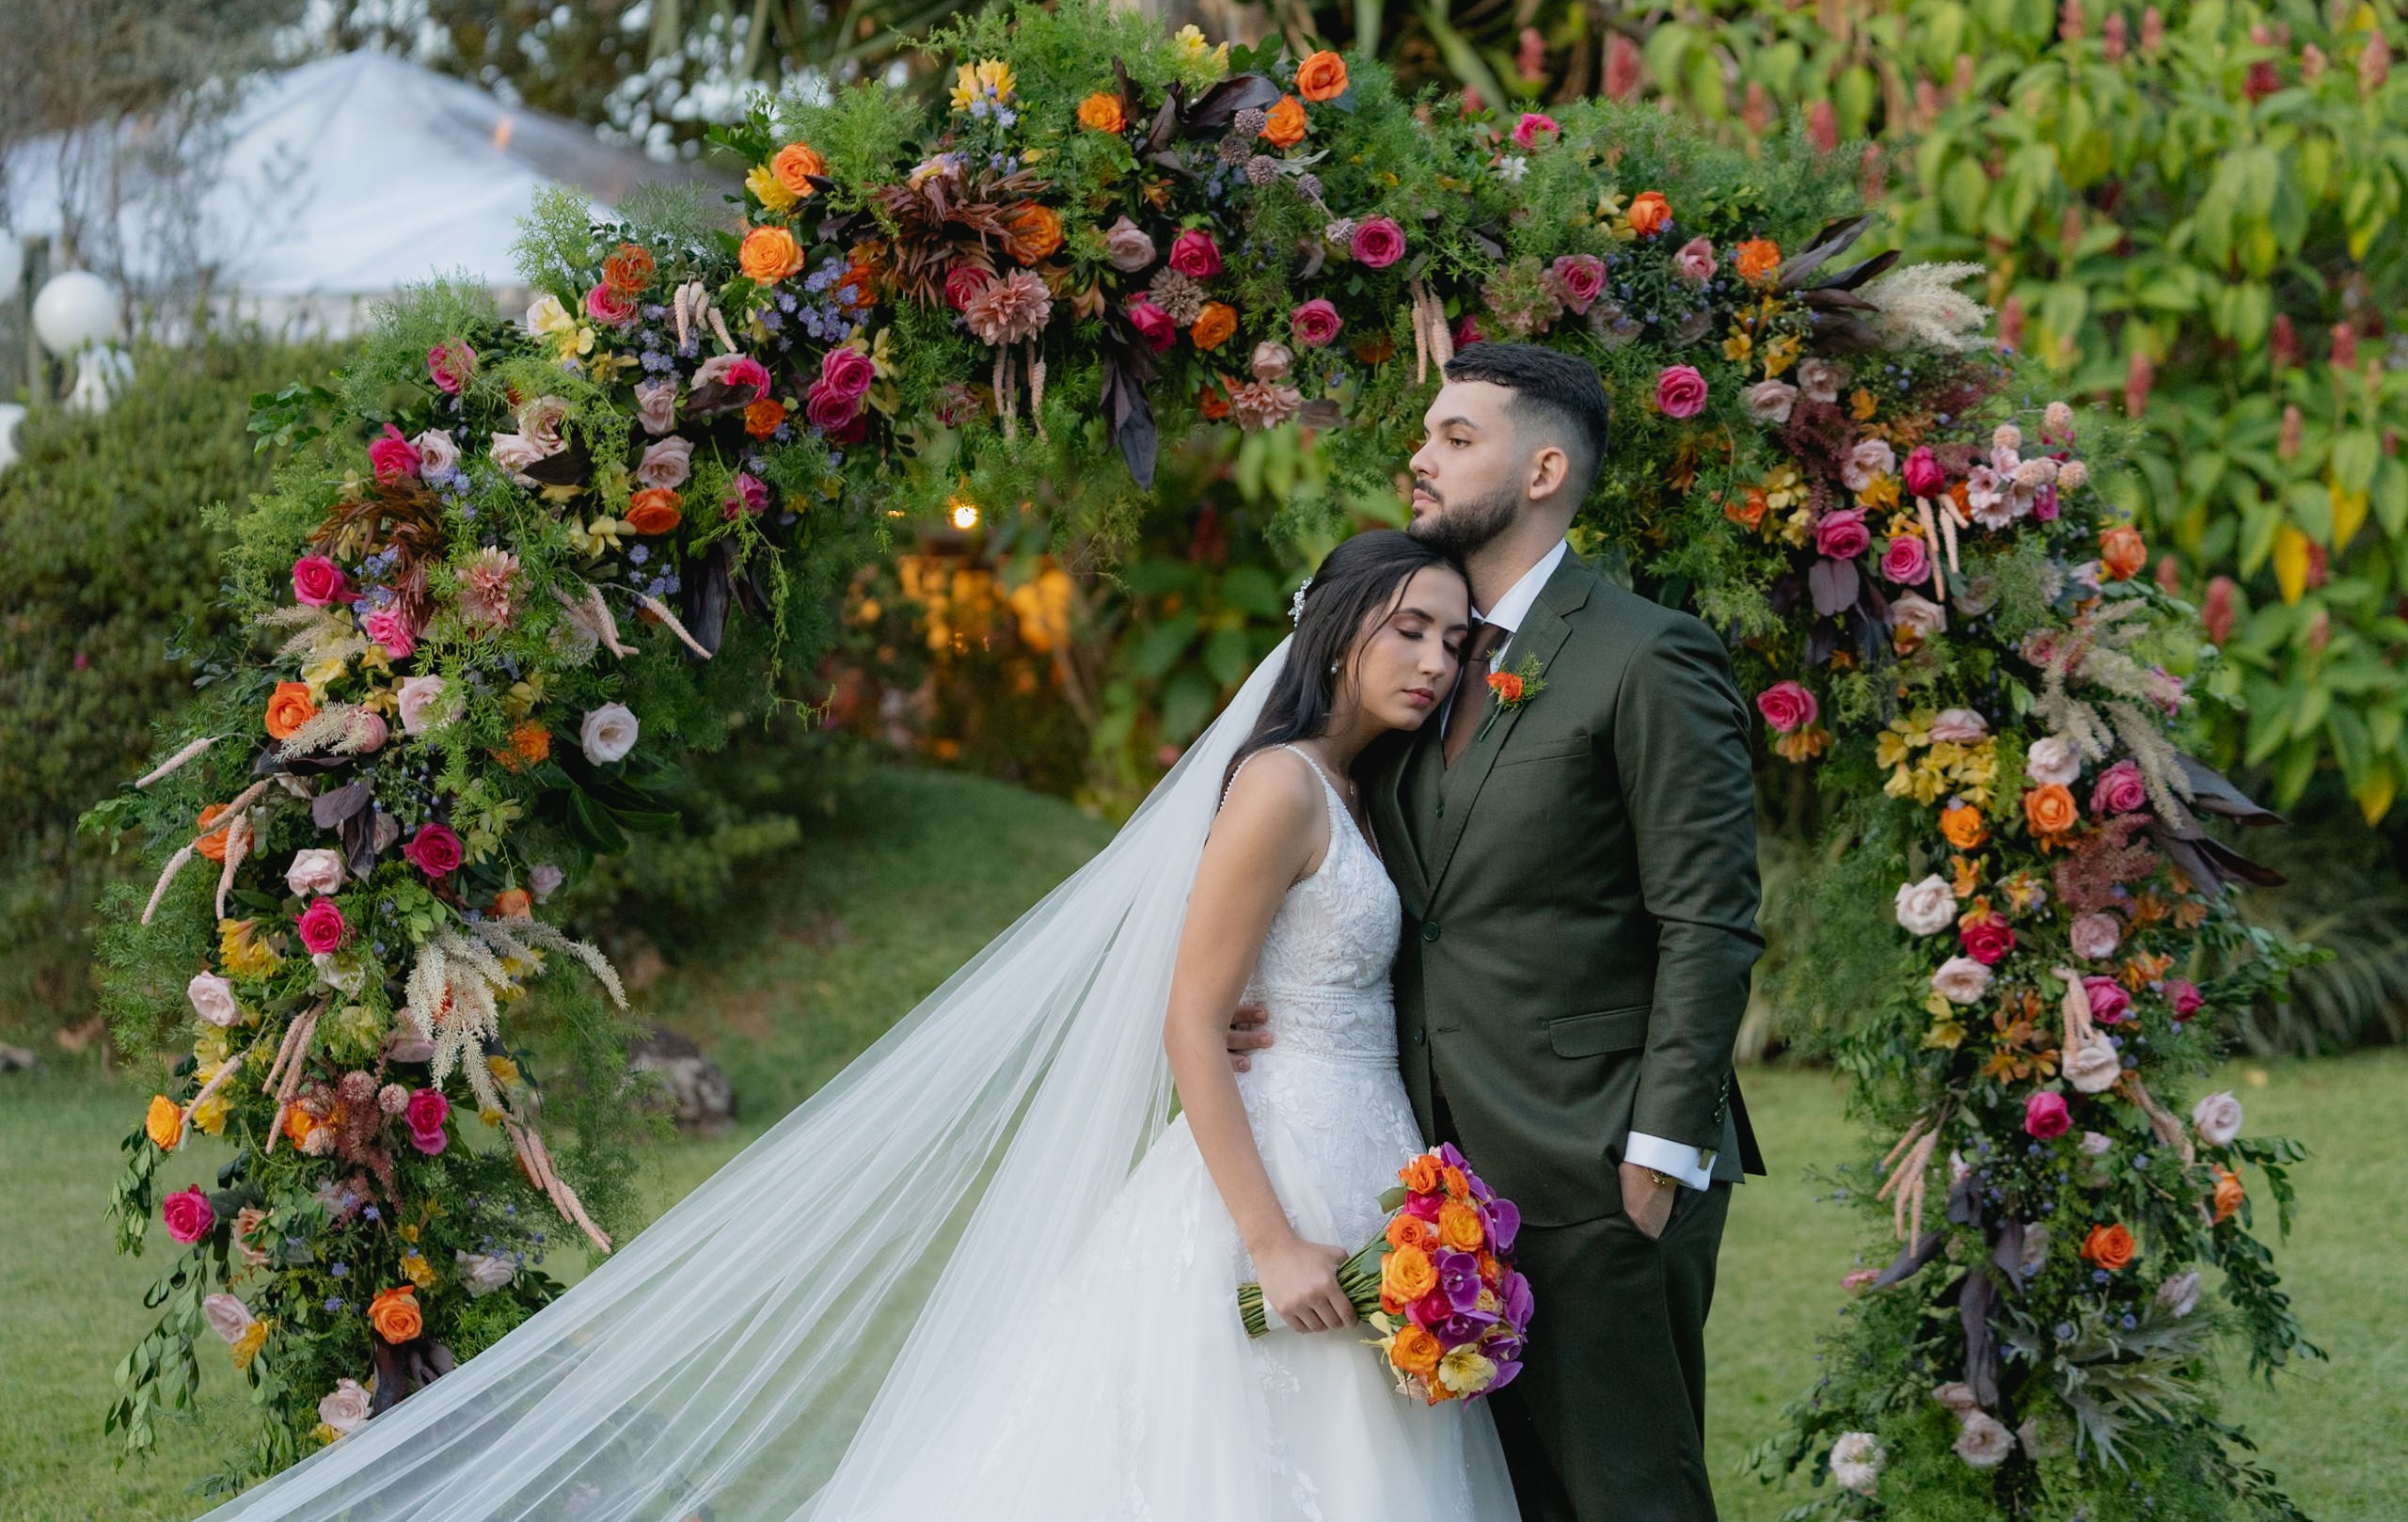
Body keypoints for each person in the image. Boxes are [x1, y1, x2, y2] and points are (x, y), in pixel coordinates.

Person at [193, 530, 1522, 1522]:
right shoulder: (1284, 786)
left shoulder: (1349, 786)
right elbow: (1189, 1014)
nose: (1435, 657)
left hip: (1366, 1161)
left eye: (1455, 639)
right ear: (1340, 627)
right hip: (1275, 1190)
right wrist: (1272, 1236)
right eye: (1411, 626)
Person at [1231, 341, 1766, 1522]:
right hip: (1425, 1174)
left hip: (1597, 1164)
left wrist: (1659, 1155)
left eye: (1454, 439)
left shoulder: (1647, 655)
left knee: (1628, 1491)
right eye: (1426, 436)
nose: (1420, 461)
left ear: (1542, 470)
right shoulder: (1416, 662)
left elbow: (1710, 921)